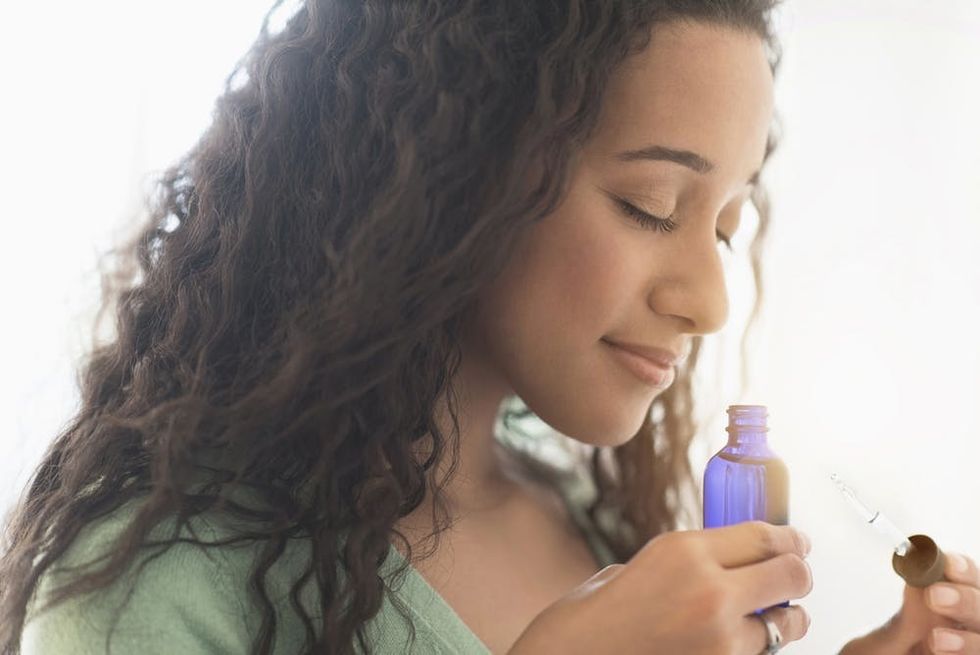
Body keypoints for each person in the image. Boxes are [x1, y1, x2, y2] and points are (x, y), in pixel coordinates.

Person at [2, 1, 978, 653]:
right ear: (451, 176)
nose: (710, 301)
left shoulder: (588, 516)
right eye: (648, 205)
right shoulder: (152, 591)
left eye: (725, 226)